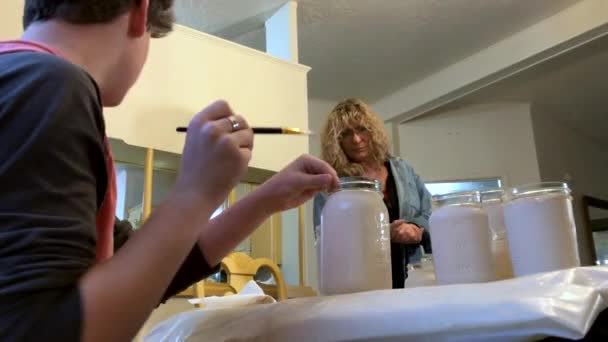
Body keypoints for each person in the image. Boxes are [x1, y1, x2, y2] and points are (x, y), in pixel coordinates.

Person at [0, 1, 339, 341]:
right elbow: (40, 329)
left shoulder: (25, 77)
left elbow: (147, 273)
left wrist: (265, 200)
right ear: (139, 12)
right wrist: (194, 191)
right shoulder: (51, 84)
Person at [313, 98, 432, 289]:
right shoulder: (331, 184)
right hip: (359, 286)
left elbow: (430, 217)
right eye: (346, 133)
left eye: (361, 129)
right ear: (336, 141)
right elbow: (328, 244)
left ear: (373, 132)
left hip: (413, 281)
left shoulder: (403, 170)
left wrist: (415, 228)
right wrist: (382, 234)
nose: (356, 139)